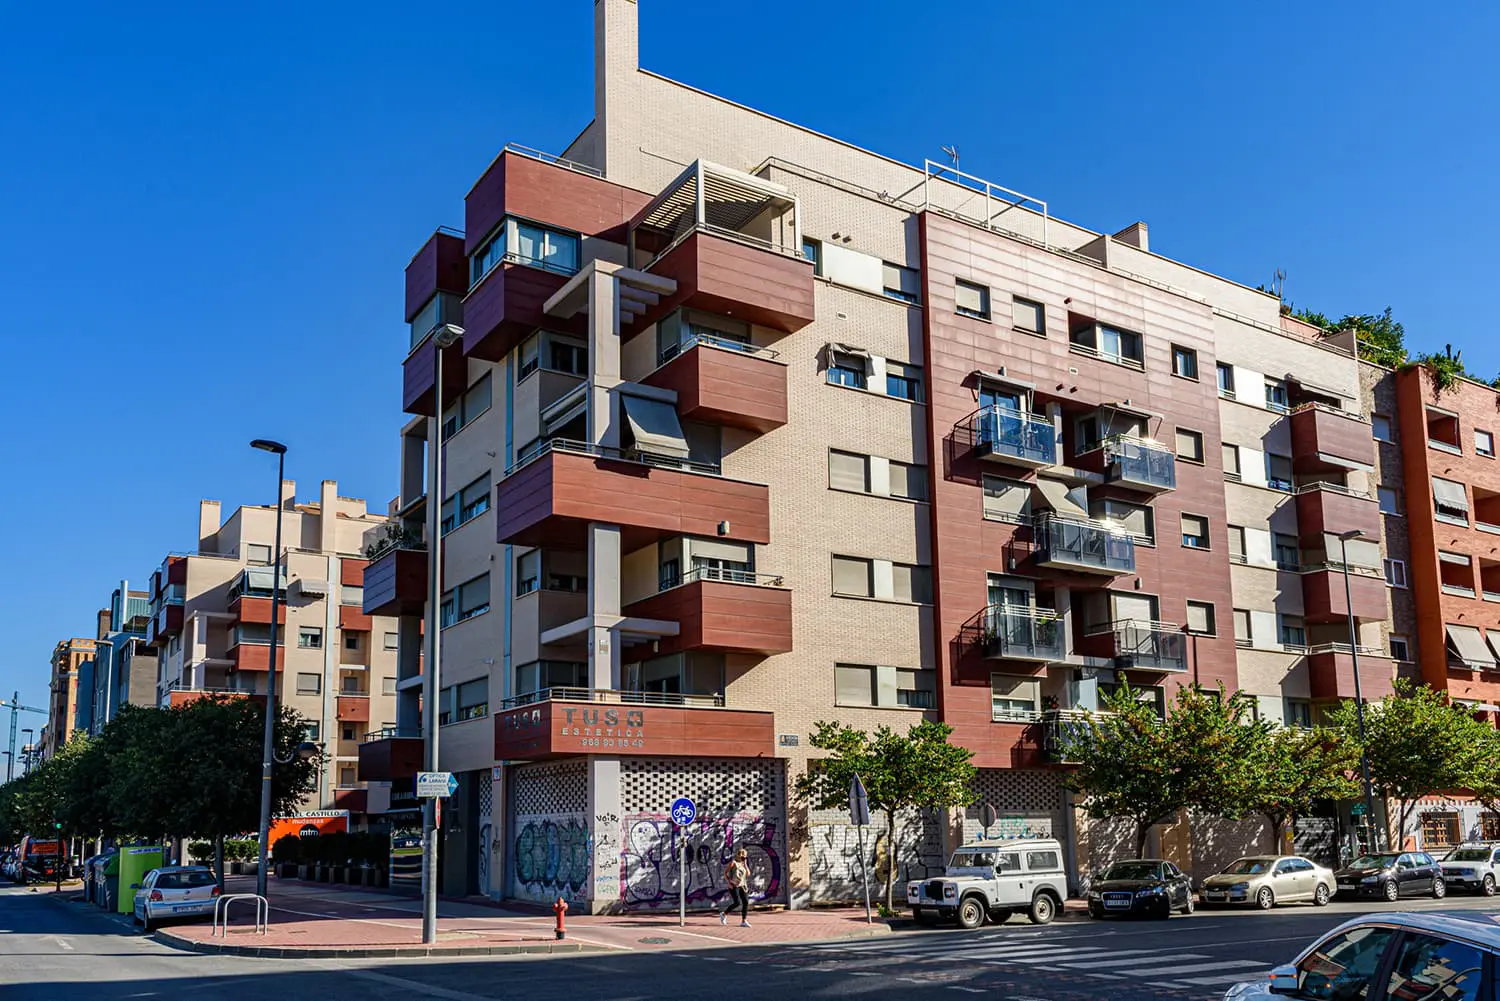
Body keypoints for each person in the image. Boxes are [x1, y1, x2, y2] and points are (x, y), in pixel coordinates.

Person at [718, 849, 751, 927]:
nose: (744, 858)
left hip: (743, 885)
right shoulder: (733, 862)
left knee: (746, 902)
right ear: (739, 855)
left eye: (745, 857)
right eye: (743, 856)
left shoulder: (743, 864)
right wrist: (729, 882)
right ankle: (724, 914)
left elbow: (748, 874)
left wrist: (745, 865)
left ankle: (744, 921)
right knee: (737, 903)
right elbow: (725, 873)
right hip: (734, 885)